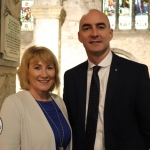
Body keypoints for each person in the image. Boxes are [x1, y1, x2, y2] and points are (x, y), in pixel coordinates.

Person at [63, 9, 150, 150]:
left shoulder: (135, 73)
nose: (94, 33)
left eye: (100, 27)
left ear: (110, 33)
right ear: (80, 37)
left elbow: (147, 125)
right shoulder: (72, 77)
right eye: (87, 28)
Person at [0, 45, 72, 150]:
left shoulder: (59, 101)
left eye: (49, 68)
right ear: (26, 72)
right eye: (37, 68)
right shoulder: (13, 104)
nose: (44, 74)